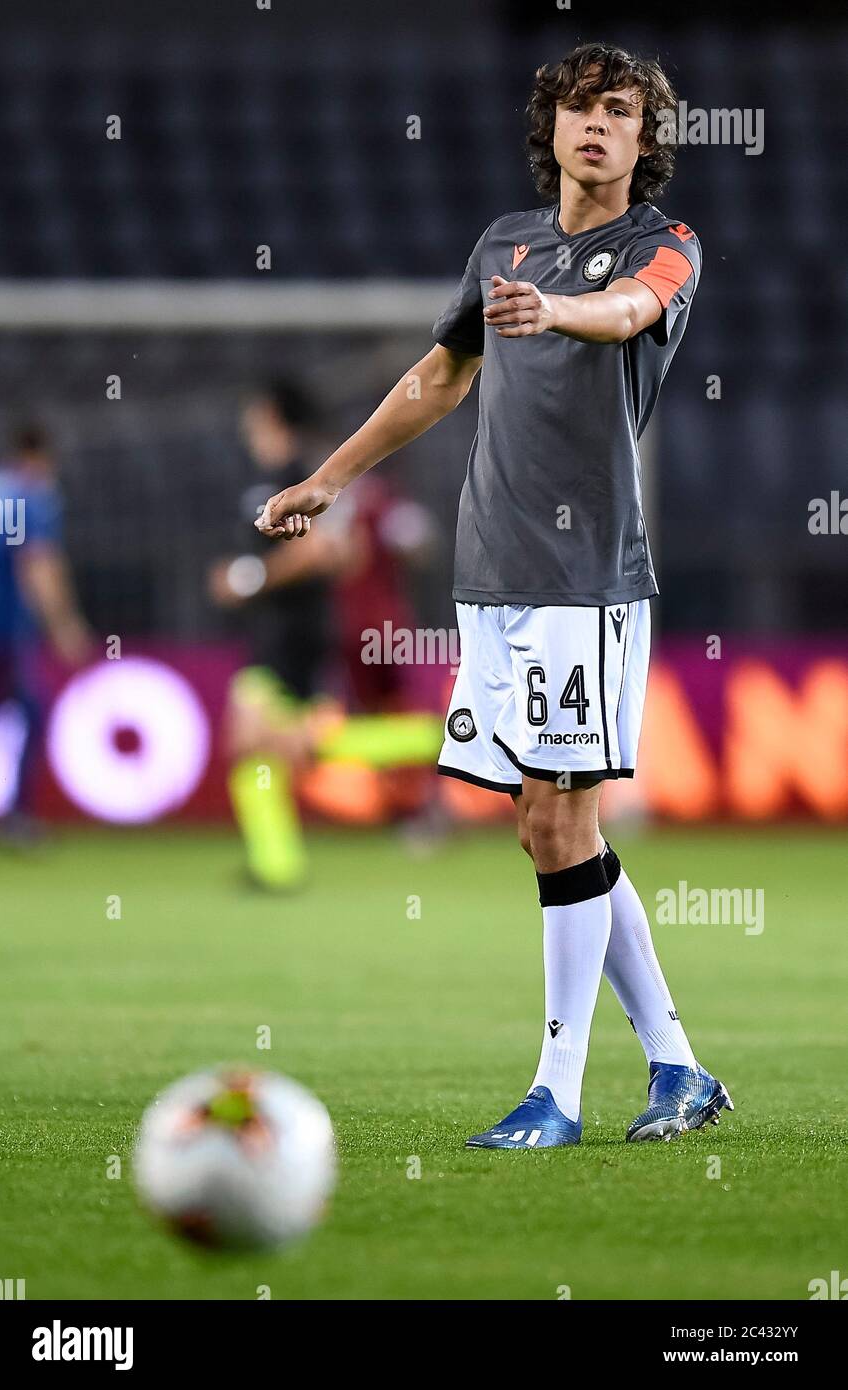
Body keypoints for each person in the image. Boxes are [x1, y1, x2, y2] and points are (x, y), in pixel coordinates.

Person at [254, 43, 734, 1145]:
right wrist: (327, 480)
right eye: (579, 108)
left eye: (619, 112)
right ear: (551, 126)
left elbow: (622, 311)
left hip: (585, 579)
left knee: (564, 821)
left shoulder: (665, 247)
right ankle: (677, 1066)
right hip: (492, 578)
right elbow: (436, 378)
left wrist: (555, 315)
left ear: (645, 140)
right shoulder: (501, 244)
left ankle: (555, 1094)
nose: (596, 126)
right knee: (540, 825)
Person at [209, 381, 441, 889]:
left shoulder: (301, 477)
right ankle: (276, 866)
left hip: (299, 636)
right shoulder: (268, 477)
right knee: (292, 747)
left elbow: (332, 552)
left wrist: (249, 580)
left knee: (259, 741)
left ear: (269, 414)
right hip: (280, 634)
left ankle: (435, 738)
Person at [0, 424, 92, 842]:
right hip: (0, 632)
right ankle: (17, 817)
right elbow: (39, 563)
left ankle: (16, 816)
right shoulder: (33, 494)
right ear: (41, 456)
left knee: (17, 710)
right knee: (31, 713)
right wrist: (64, 625)